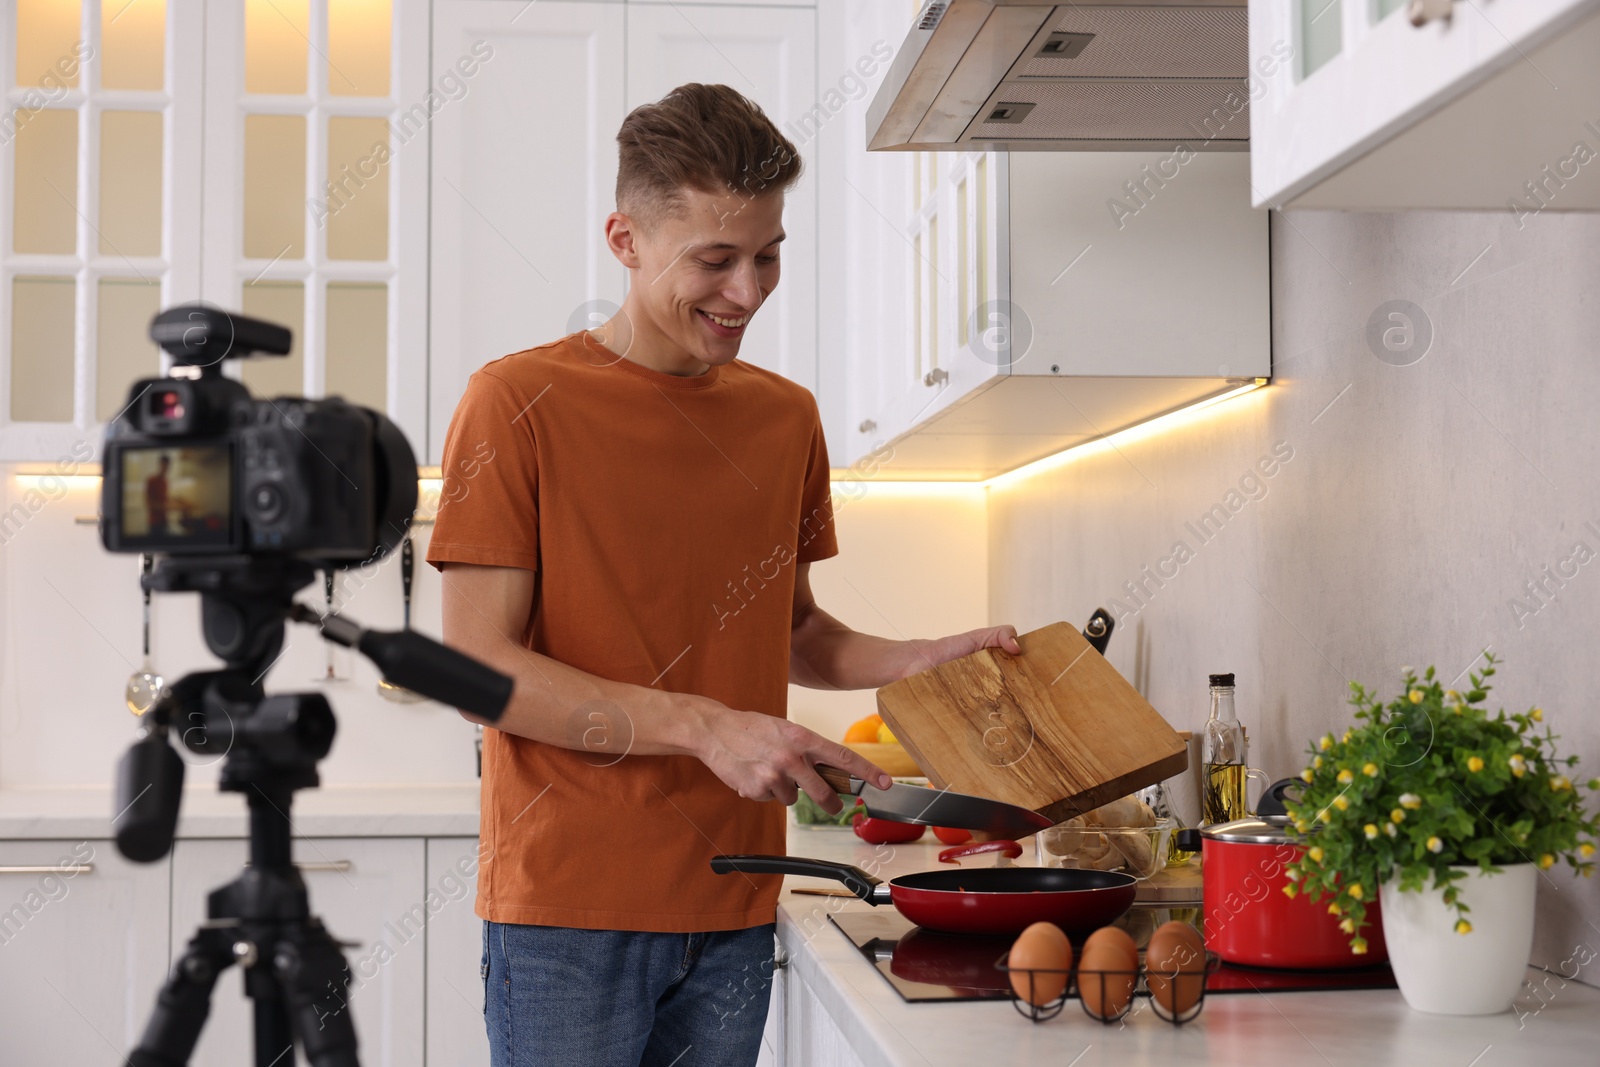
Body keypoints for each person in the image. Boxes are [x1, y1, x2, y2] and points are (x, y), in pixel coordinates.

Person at [427, 83, 1023, 1067]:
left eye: (768, 254)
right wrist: (706, 726)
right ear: (625, 240)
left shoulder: (784, 418)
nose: (746, 292)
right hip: (567, 912)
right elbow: (474, 669)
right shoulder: (516, 402)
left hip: (737, 892)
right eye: (714, 260)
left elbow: (791, 635)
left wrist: (923, 657)